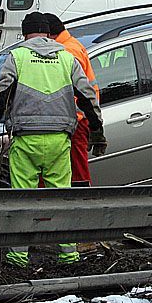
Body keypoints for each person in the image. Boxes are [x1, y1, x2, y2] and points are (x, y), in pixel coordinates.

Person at [0, 12, 105, 267]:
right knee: (61, 199)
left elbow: (0, 98)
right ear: (48, 33)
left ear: (24, 33)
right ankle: (69, 254)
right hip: (59, 141)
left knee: (22, 200)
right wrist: (97, 131)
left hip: (26, 140)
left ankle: (18, 257)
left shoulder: (17, 57)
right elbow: (87, 97)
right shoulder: (66, 57)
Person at [44, 13, 99, 187]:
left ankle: (82, 205)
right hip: (79, 116)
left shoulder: (67, 51)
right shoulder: (72, 45)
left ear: (49, 34)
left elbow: (75, 89)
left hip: (76, 119)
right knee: (75, 171)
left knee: (77, 173)